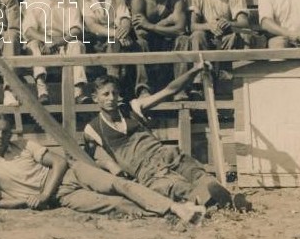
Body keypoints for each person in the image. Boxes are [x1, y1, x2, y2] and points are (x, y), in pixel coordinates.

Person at [0, 115, 204, 222]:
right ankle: (167, 213)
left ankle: (177, 207)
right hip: (63, 195)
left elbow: (59, 162)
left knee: (119, 184)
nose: (1, 136)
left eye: (4, 131)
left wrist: (43, 194)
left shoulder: (24, 145)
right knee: (114, 204)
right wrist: (27, 201)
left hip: (72, 173)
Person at [83, 66, 250, 211]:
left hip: (165, 154)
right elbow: (85, 160)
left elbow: (169, 90)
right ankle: (218, 202)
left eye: (114, 93)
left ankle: (223, 198)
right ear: (95, 98)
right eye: (105, 94)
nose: (111, 98)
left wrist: (194, 70)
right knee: (176, 187)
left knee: (198, 174)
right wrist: (108, 164)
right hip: (146, 171)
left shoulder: (132, 107)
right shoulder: (93, 129)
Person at [81, 0, 149, 101]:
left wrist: (124, 28)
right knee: (114, 42)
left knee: (141, 43)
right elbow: (93, 26)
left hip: (119, 40)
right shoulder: (84, 0)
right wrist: (117, 34)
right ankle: (114, 88)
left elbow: (124, 18)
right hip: (96, 44)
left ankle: (142, 88)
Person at [21, 0, 86, 105]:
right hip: (41, 44)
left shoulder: (69, 0)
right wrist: (47, 40)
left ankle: (78, 92)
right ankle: (42, 91)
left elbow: (76, 29)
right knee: (33, 45)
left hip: (63, 43)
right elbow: (29, 30)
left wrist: (59, 41)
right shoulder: (30, 1)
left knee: (77, 44)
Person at [131, 0, 190, 96]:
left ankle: (180, 89)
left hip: (169, 44)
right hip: (149, 44)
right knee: (140, 43)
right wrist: (168, 22)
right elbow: (141, 33)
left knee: (184, 40)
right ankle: (143, 89)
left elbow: (180, 29)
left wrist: (150, 25)